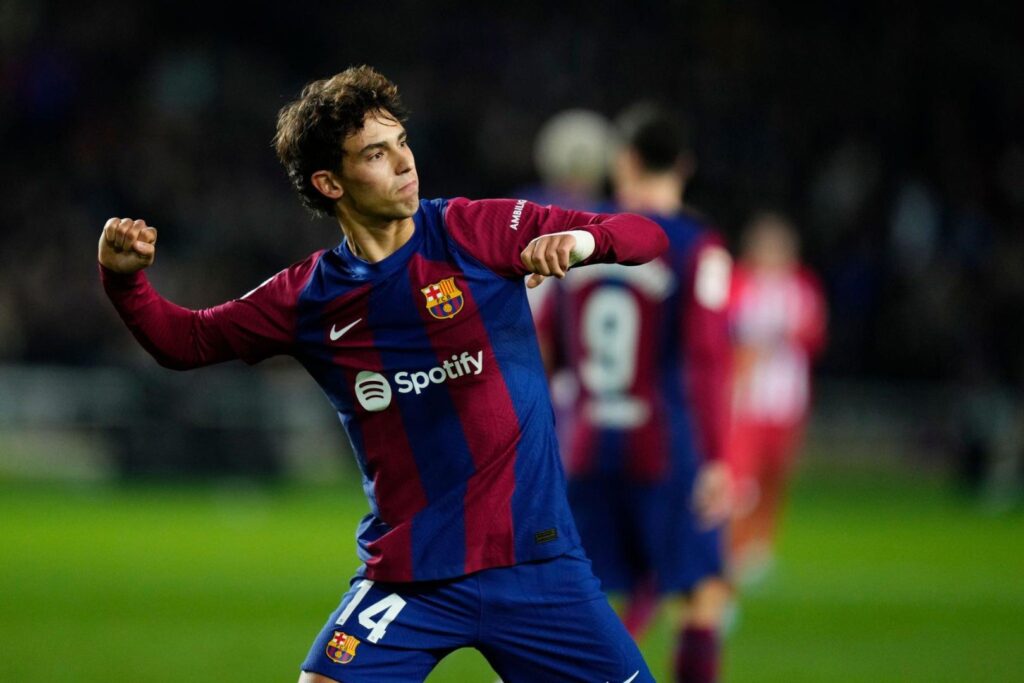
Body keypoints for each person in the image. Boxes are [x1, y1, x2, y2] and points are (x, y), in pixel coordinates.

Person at [97, 66, 670, 683]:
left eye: (402, 143)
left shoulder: (473, 230)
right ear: (330, 182)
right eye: (375, 153)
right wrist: (124, 280)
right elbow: (186, 341)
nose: (403, 163)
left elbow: (644, 234)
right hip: (411, 577)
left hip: (535, 562)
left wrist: (583, 245)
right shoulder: (308, 298)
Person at [535, 104, 733, 683]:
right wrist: (718, 458)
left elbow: (546, 351)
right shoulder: (700, 247)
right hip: (666, 451)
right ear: (685, 166)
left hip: (584, 448)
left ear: (623, 161)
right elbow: (706, 358)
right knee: (701, 593)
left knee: (567, 611)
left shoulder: (579, 243)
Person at [726, 211, 827, 583]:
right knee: (741, 479)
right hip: (748, 398)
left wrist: (790, 333)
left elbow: (815, 335)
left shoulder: (802, 286)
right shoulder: (738, 282)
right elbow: (725, 331)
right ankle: (734, 545)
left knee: (775, 475)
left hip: (788, 398)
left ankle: (762, 545)